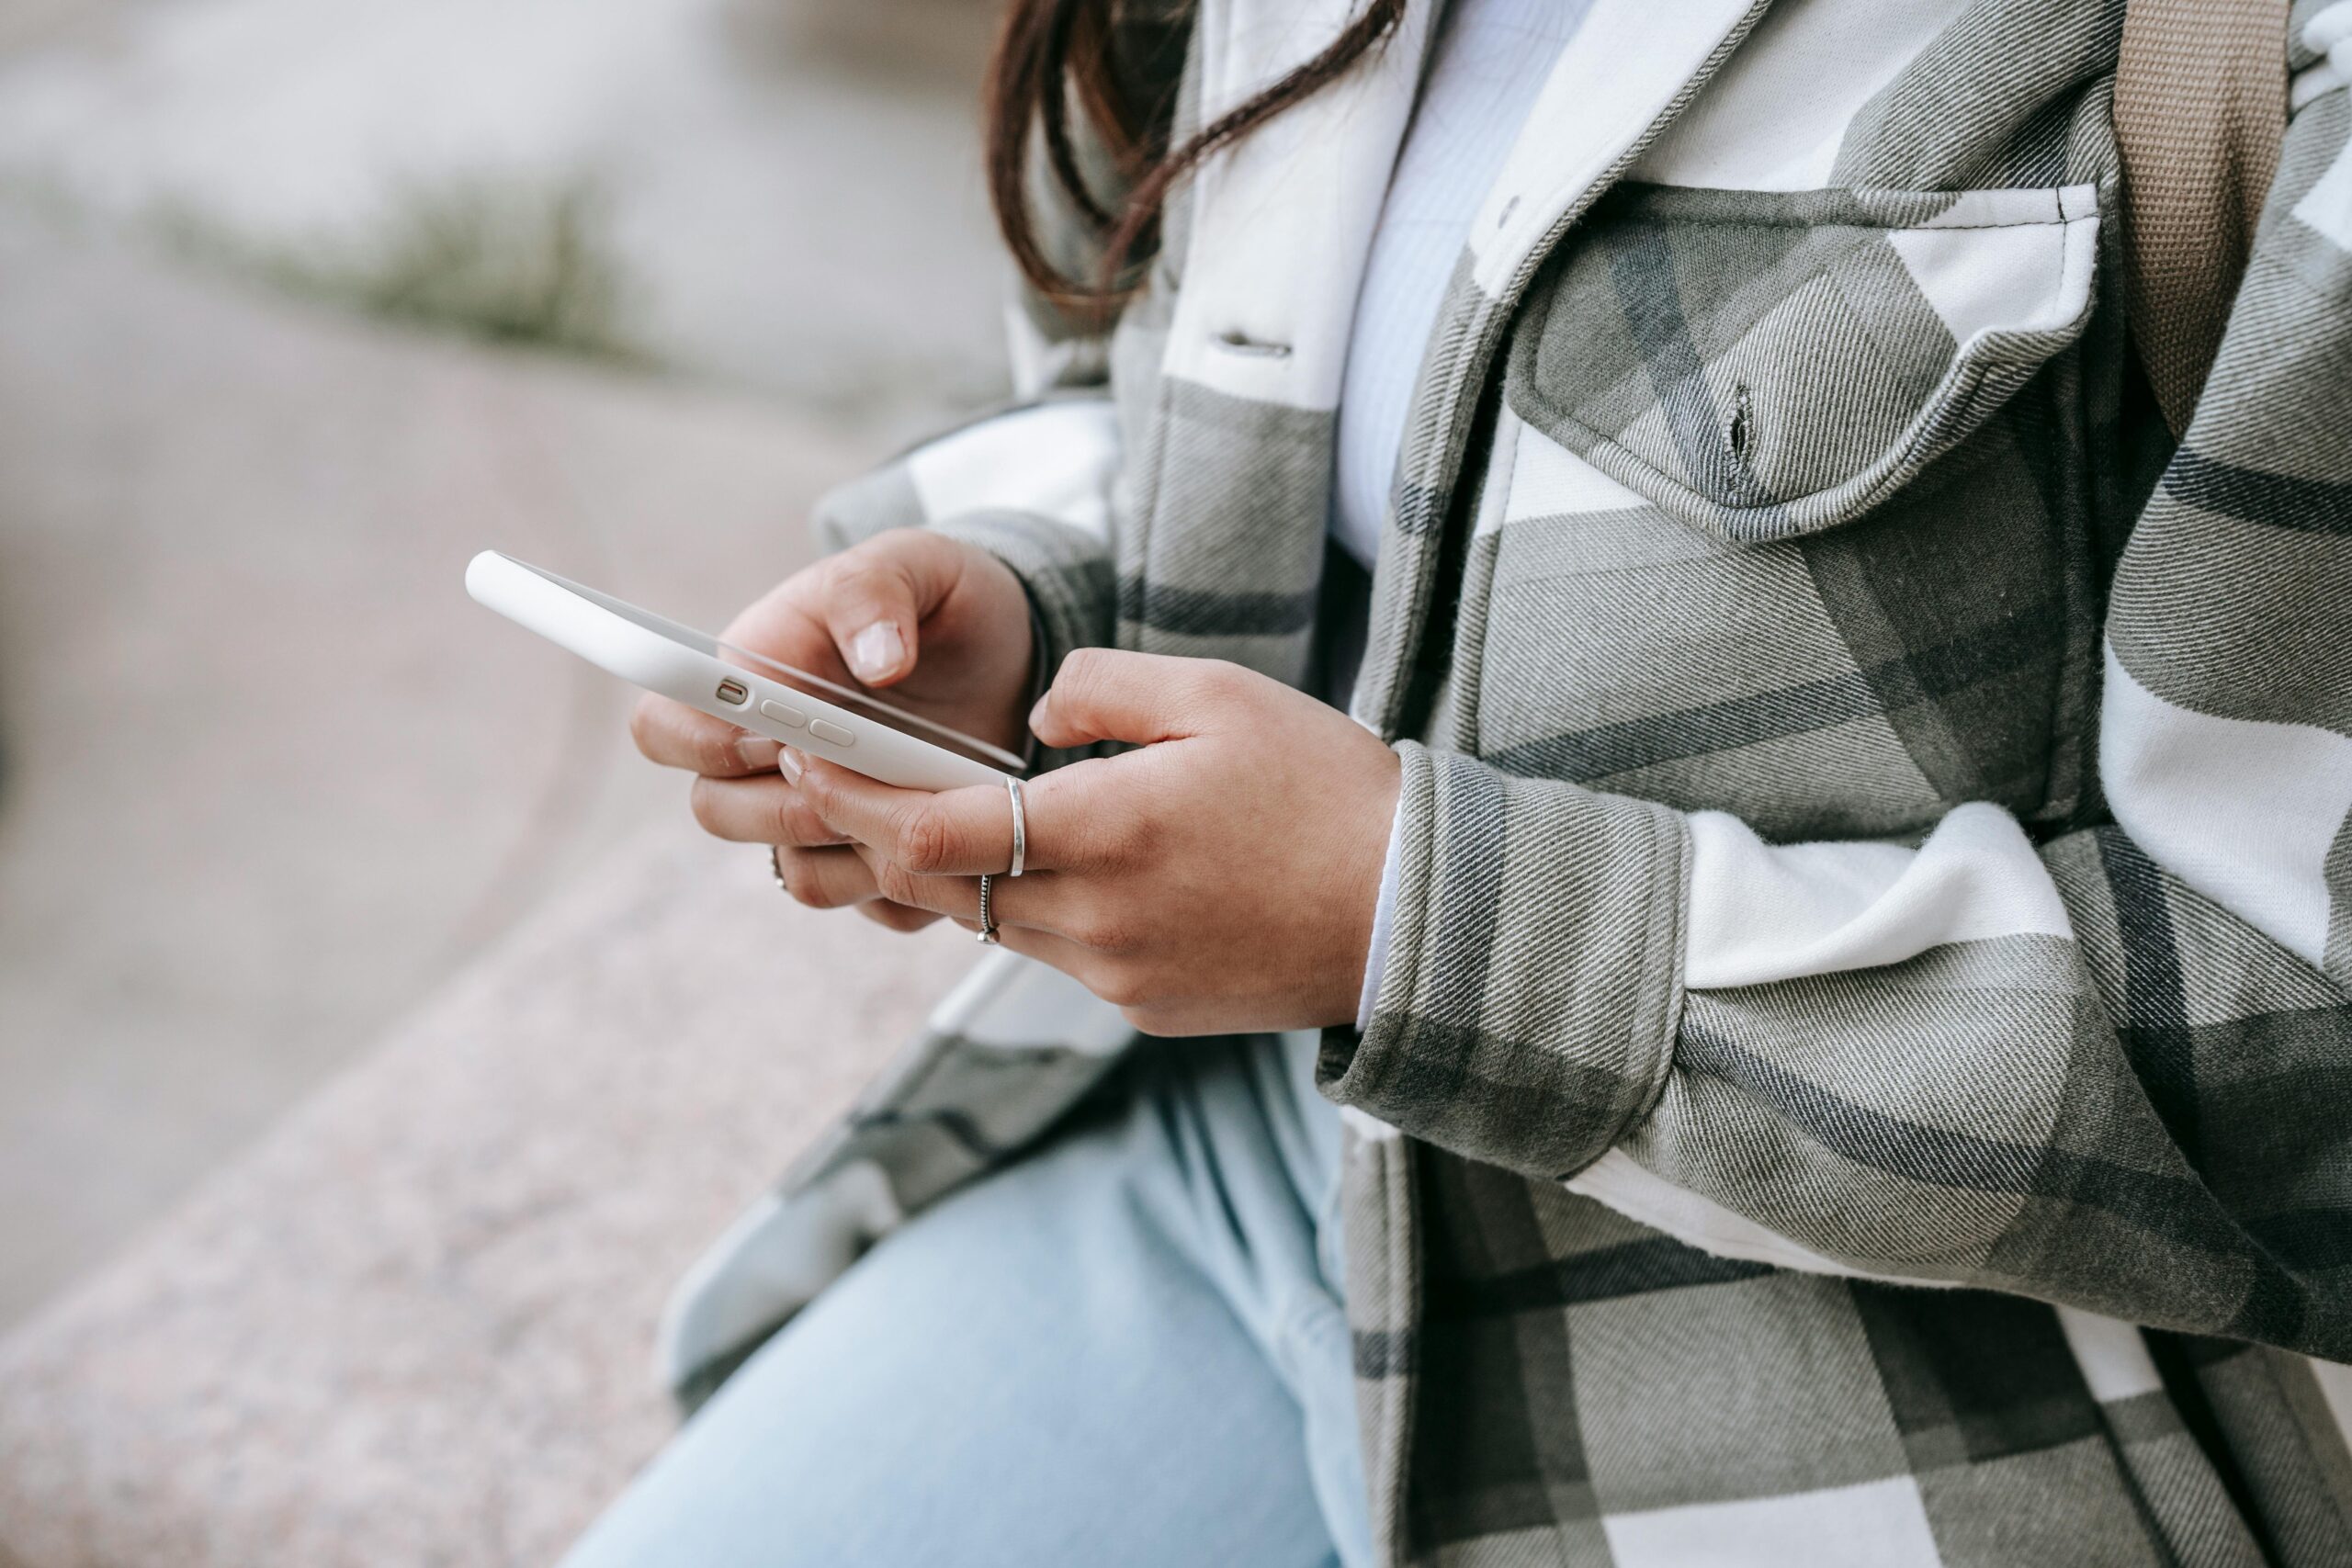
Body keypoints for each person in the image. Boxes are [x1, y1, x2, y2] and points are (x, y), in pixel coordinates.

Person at [566, 0, 2352, 1562]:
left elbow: (2310, 1056)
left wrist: (1423, 927)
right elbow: (1146, 361)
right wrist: (1025, 603)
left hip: (1899, 1416)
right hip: (1239, 1173)